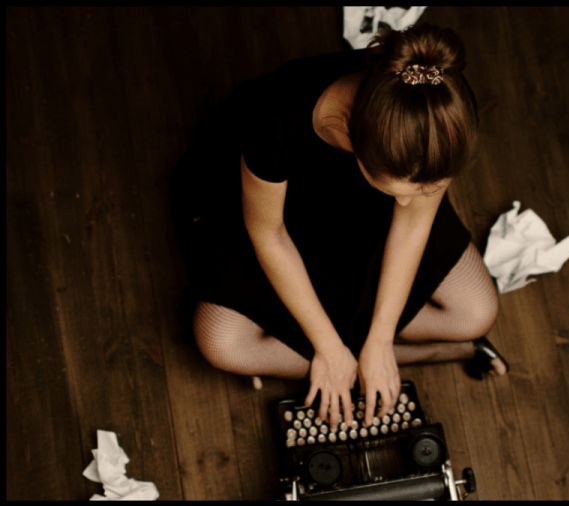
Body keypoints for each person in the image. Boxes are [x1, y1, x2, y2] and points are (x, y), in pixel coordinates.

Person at [172, 23, 508, 433]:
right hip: (279, 221)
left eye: (427, 189)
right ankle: (437, 352)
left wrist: (382, 338)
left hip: (363, 220)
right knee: (221, 343)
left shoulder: (440, 110)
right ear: (354, 140)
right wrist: (328, 347)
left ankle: (338, 355)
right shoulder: (276, 119)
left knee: (477, 311)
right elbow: (269, 236)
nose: (407, 203)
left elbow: (411, 225)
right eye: (399, 191)